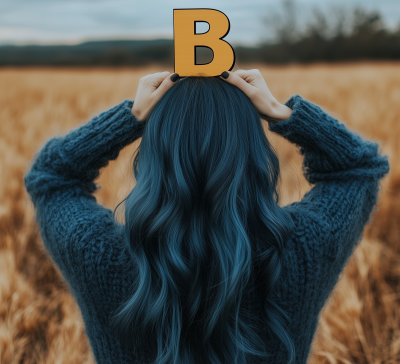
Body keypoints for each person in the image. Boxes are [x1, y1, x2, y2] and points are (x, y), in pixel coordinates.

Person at [24, 70, 390, 364]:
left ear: (154, 154)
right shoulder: (299, 250)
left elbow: (52, 177)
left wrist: (130, 117)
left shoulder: (100, 256)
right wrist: (284, 113)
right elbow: (357, 167)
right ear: (252, 153)